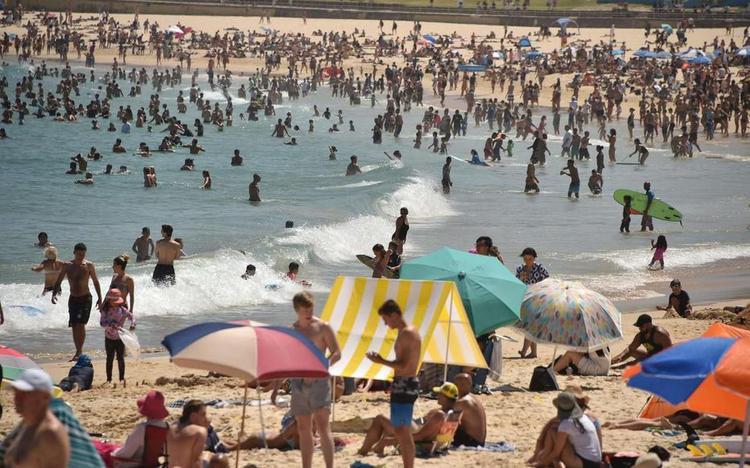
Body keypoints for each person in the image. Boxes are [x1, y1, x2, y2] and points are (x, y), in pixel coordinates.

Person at [283, 292, 341, 468]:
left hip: (319, 381)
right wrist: (276, 384)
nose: (309, 313)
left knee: (323, 427)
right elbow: (286, 359)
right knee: (303, 429)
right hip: (299, 382)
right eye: (305, 310)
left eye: (311, 309)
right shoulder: (293, 331)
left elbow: (336, 352)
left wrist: (323, 366)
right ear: (296, 310)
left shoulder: (323, 327)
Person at [365, 300, 421, 468]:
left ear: (394, 315)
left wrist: (380, 360)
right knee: (400, 429)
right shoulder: (406, 332)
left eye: (385, 319)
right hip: (403, 383)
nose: (385, 323)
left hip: (405, 384)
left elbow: (404, 365)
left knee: (403, 432)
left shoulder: (407, 333)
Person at [358, 382, 459, 456]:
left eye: (440, 394)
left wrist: (391, 440)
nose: (437, 396)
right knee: (394, 420)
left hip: (418, 442)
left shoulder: (440, 415)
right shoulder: (453, 414)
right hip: (418, 431)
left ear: (446, 397)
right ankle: (376, 448)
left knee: (380, 419)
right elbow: (424, 425)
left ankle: (363, 451)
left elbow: (420, 436)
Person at [4, 369, 70, 468]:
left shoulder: (50, 432)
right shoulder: (30, 424)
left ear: (45, 397)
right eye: (17, 393)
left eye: (25, 394)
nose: (17, 398)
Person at [52, 243, 102, 361]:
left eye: (83, 254)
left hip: (85, 298)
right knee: (74, 325)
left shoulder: (89, 265)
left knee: (81, 324)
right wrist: (54, 294)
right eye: (79, 254)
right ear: (74, 252)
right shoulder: (67, 265)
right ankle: (78, 350)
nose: (81, 256)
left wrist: (100, 298)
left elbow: (95, 281)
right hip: (73, 298)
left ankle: (79, 351)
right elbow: (59, 280)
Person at [530, 388, 602, 468]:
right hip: (597, 462)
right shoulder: (584, 417)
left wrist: (543, 463)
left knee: (554, 435)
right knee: (554, 433)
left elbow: (556, 452)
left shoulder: (566, 424)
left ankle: (556, 463)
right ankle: (548, 458)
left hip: (583, 463)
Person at [112, 390, 170, 467]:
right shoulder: (167, 427)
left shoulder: (142, 428)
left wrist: (112, 453)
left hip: (137, 465)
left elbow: (126, 453)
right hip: (155, 465)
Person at [516, 247, 549, 359]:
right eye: (525, 258)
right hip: (525, 299)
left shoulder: (540, 268)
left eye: (530, 258)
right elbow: (516, 284)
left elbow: (548, 282)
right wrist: (520, 279)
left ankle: (524, 351)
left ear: (534, 258)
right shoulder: (520, 269)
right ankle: (533, 353)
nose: (527, 261)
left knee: (529, 326)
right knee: (530, 326)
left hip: (538, 300)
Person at [99, 289, 135, 385]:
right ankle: (109, 379)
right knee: (109, 358)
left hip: (120, 338)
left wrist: (133, 324)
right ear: (109, 301)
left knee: (120, 358)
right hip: (109, 338)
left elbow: (131, 316)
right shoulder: (105, 310)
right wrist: (110, 326)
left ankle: (121, 378)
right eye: (113, 302)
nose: (115, 304)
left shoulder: (122, 310)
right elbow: (102, 323)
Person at [167, 400, 208, 468]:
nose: (205, 418)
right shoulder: (200, 432)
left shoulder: (170, 428)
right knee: (218, 459)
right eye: (203, 414)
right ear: (193, 416)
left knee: (207, 454)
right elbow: (196, 461)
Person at [452, 373, 486, 447]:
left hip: (472, 442)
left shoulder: (463, 401)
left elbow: (446, 415)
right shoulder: (473, 398)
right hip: (478, 440)